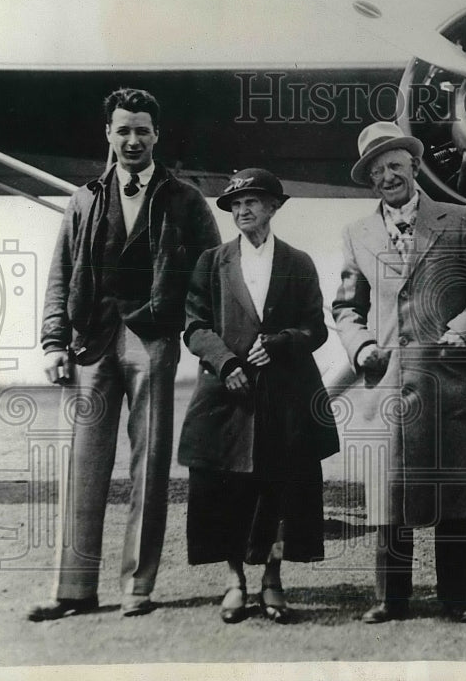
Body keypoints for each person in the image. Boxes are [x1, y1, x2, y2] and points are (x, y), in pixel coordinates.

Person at [30, 88, 220, 620]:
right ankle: (73, 592)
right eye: (123, 130)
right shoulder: (85, 198)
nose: (132, 139)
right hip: (91, 340)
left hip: (153, 340)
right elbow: (60, 271)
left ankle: (138, 585)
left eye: (142, 130)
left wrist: (203, 339)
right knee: (84, 465)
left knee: (149, 462)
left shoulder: (185, 200)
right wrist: (53, 341)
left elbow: (209, 275)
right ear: (108, 135)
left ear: (156, 135)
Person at [332, 121, 466, 624]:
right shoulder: (356, 234)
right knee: (389, 495)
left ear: (414, 165)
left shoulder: (457, 218)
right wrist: (360, 344)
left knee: (453, 493)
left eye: (396, 165)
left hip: (449, 379)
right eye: (377, 170)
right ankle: (391, 597)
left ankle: (456, 596)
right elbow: (346, 307)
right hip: (388, 384)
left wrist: (464, 329)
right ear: (370, 180)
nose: (388, 176)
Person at [178, 168, 340, 624]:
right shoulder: (212, 262)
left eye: (252, 201)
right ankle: (235, 583)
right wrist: (226, 363)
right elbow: (194, 325)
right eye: (235, 203)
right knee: (225, 489)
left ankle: (272, 581)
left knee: (278, 490)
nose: (242, 209)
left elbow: (316, 327)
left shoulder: (298, 261)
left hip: (284, 395)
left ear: (274, 206)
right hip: (226, 395)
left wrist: (282, 342)